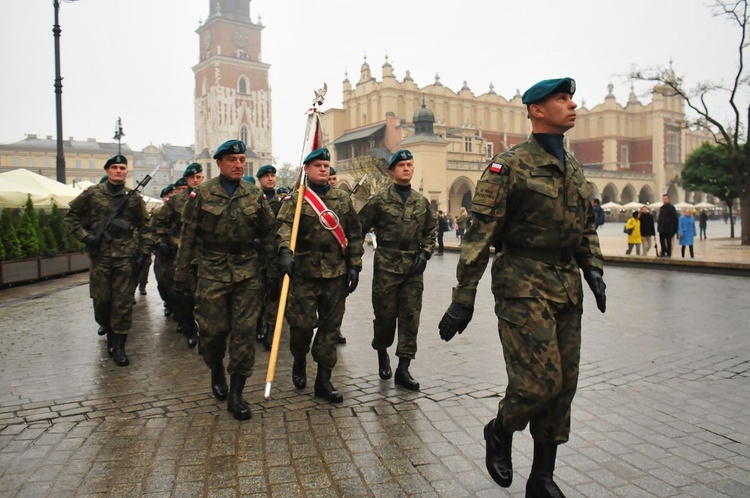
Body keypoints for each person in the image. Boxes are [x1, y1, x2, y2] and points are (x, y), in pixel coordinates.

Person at [437, 77, 606, 496]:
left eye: (571, 98)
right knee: (537, 383)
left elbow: (585, 229)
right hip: (522, 283)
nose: (572, 105)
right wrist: (463, 297)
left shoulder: (574, 168)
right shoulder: (507, 166)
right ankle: (499, 429)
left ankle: (542, 477)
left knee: (564, 385)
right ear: (536, 110)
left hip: (566, 287)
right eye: (562, 99)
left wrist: (594, 271)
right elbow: (479, 233)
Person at [173, 140, 278, 421]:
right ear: (218, 163)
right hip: (212, 272)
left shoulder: (255, 195)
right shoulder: (202, 195)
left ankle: (237, 392)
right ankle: (216, 367)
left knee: (244, 333)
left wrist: (273, 273)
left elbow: (269, 235)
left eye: (242, 159)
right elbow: (188, 238)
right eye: (232, 159)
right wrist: (181, 277)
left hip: (247, 272)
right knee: (213, 331)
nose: (239, 164)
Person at [277, 147, 364, 403]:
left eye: (326, 165)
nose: (323, 169)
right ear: (306, 169)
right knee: (302, 327)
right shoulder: (296, 199)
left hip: (335, 274)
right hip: (304, 273)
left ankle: (323, 381)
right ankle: (299, 359)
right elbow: (283, 227)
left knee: (329, 328)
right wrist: (284, 250)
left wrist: (354, 265)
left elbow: (355, 235)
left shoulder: (343, 199)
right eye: (317, 165)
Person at [358, 149, 437, 391]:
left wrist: (425, 252)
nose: (406, 168)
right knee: (384, 317)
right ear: (392, 170)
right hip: (387, 267)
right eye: (401, 165)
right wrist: (354, 260)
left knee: (411, 317)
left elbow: (431, 231)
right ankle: (382, 351)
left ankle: (404, 368)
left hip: (413, 268)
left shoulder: (421, 202)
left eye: (410, 164)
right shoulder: (379, 201)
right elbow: (358, 228)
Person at [65, 154, 151, 367]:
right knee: (102, 300)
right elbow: (71, 217)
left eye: (122, 168)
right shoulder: (92, 195)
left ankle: (119, 344)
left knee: (122, 302)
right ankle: (107, 327)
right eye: (115, 167)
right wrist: (86, 237)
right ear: (107, 171)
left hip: (126, 257)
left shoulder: (133, 198)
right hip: (101, 256)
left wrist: (143, 251)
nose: (119, 171)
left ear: (126, 172)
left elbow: (146, 226)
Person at [154, 163, 205, 348]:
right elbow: (159, 223)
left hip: (208, 256)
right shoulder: (177, 201)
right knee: (187, 295)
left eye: (199, 177)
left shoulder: (212, 197)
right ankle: (189, 327)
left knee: (207, 296)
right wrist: (165, 241)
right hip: (184, 256)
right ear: (187, 180)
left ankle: (206, 329)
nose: (196, 181)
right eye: (192, 178)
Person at [256, 164, 282, 351]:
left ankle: (270, 330)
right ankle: (258, 325)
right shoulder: (253, 200)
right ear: (260, 179)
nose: (270, 179)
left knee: (274, 294)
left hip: (275, 256)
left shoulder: (283, 203)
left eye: (273, 175)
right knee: (257, 293)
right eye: (266, 176)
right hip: (255, 256)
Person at [326, 166, 347, 345]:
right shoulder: (309, 200)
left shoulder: (342, 200)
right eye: (330, 178)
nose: (332, 181)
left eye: (334, 178)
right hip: (310, 265)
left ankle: (336, 329)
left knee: (336, 305)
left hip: (336, 263)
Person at [151, 184, 176, 316]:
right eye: (168, 195)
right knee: (163, 281)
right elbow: (149, 232)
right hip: (163, 253)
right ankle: (167, 301)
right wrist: (158, 243)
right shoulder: (157, 213)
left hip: (178, 252)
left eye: (174, 193)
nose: (171, 197)